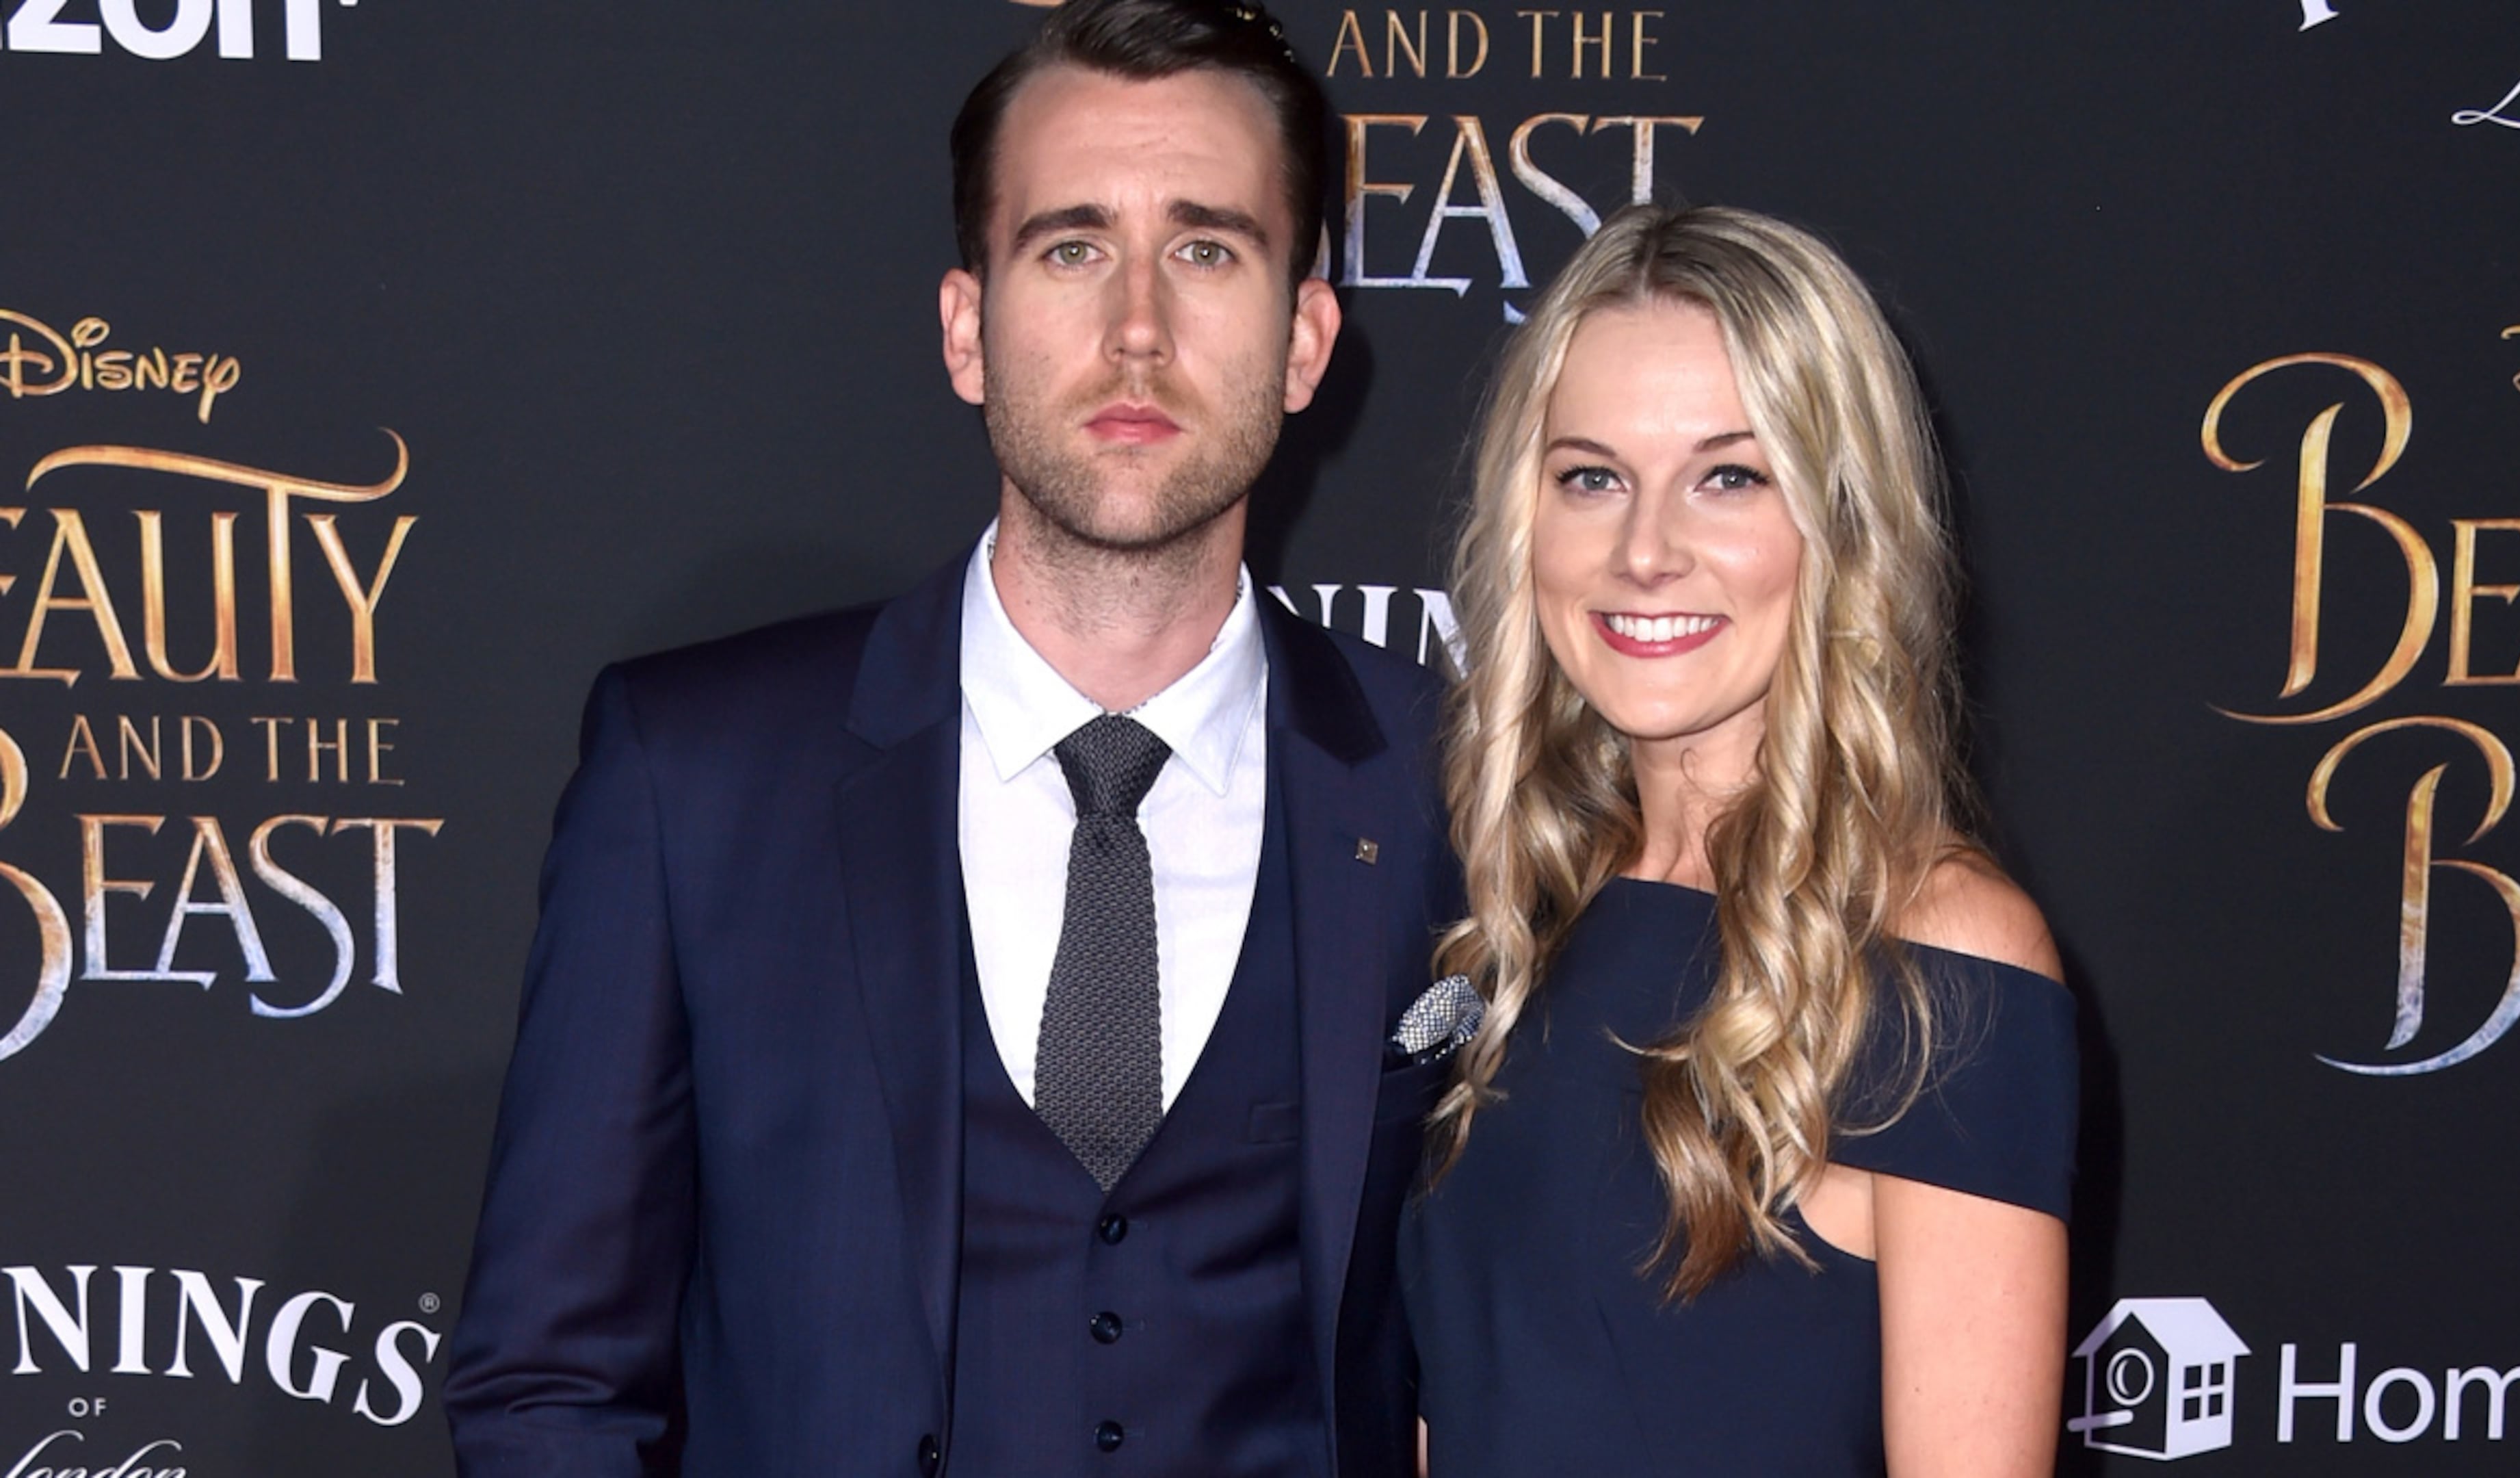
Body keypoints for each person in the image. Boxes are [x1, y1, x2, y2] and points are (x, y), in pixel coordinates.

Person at [444, 3, 1457, 1475]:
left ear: (1305, 340)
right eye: (1071, 248)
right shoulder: (692, 778)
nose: (1137, 330)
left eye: (1206, 250)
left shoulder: (1458, 787)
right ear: (967, 331)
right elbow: (551, 1386)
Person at [1401, 204, 2079, 1477]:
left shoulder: (1944, 949)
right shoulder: (1515, 908)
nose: (1645, 551)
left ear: (1841, 519)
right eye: (1591, 477)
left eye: (1729, 476)